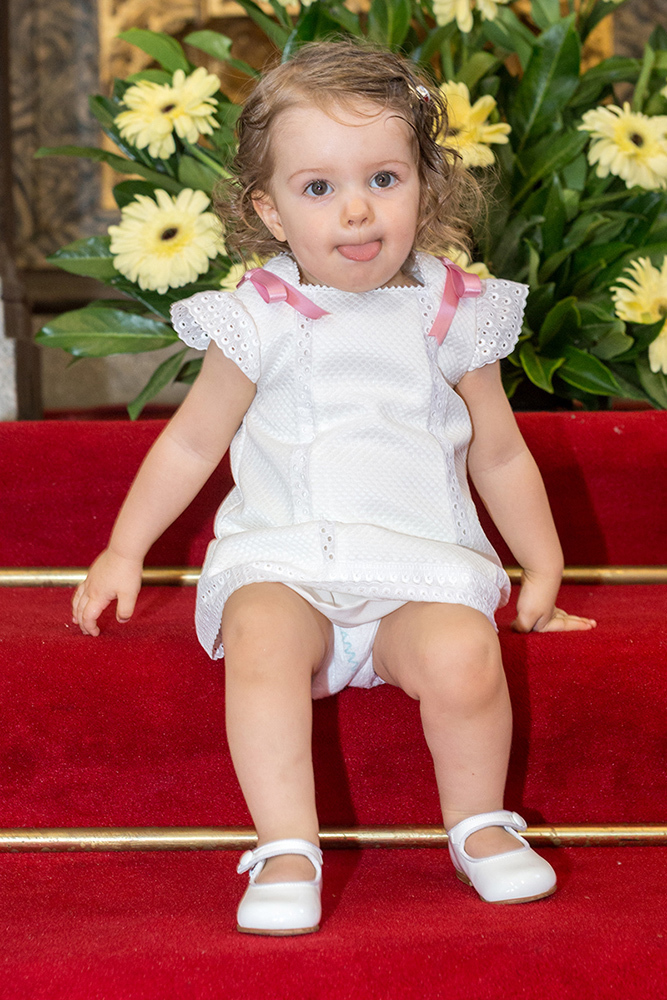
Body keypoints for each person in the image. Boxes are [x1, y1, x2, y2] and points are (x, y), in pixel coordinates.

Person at [72, 40, 596, 937]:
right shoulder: (258, 318)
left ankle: (476, 826)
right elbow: (194, 441)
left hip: (415, 568)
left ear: (425, 184)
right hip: (287, 560)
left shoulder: (452, 311)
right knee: (263, 636)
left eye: (384, 177)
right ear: (269, 210)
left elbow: (498, 454)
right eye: (318, 188)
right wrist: (127, 548)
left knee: (467, 656)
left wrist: (540, 566)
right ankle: (285, 846)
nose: (356, 208)